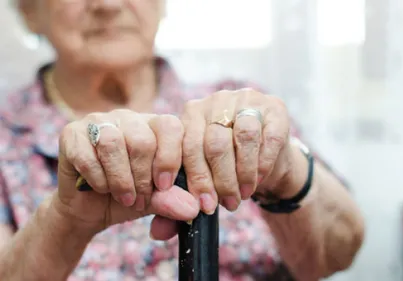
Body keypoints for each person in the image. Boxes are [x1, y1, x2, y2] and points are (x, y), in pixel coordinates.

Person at [0, 1, 364, 280]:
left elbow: (337, 252)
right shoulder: (6, 135)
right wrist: (63, 221)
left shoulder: (242, 108)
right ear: (29, 10)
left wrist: (285, 173)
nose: (108, 5)